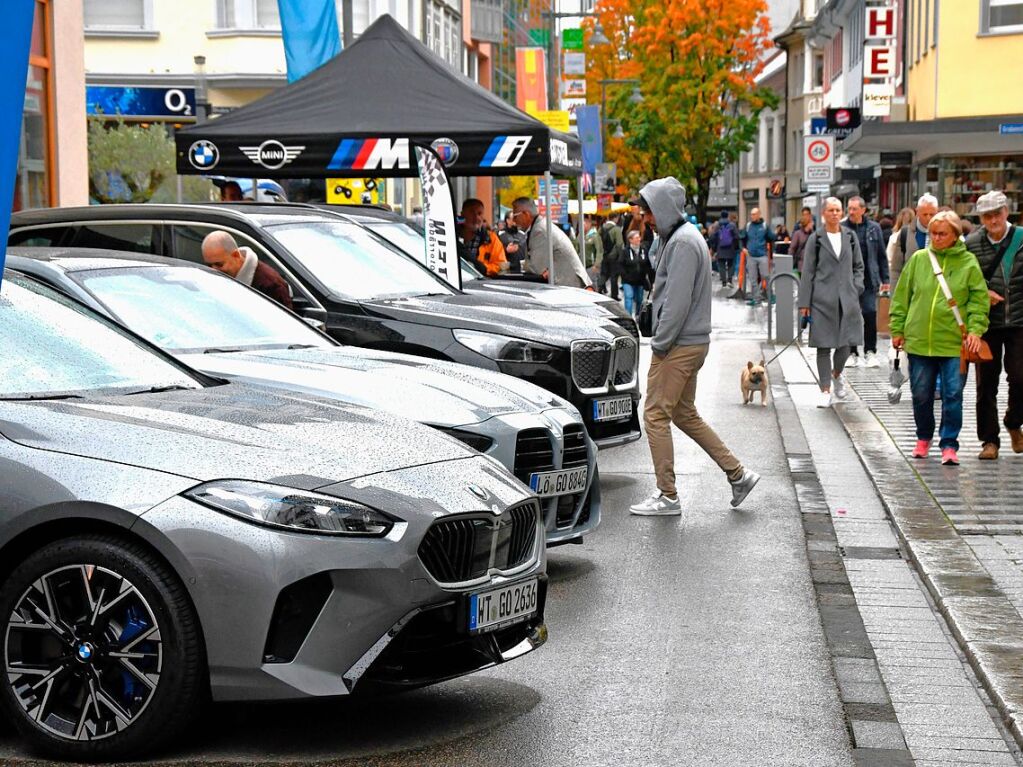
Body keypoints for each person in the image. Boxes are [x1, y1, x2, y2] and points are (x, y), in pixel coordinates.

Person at [628, 176, 760, 516]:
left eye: (649, 212)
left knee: (655, 415)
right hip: (690, 342)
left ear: (663, 209)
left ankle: (667, 495)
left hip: (678, 344)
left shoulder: (683, 243)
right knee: (684, 414)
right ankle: (739, 474)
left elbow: (676, 301)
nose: (646, 219)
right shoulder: (680, 239)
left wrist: (660, 344)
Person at [889, 211, 989, 466]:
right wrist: (898, 328)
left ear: (955, 235)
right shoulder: (920, 259)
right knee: (921, 394)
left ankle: (949, 444)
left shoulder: (968, 263)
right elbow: (902, 296)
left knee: (953, 394)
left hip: (954, 342)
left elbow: (979, 300)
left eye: (942, 233)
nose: (936, 238)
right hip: (920, 341)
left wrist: (976, 330)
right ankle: (924, 437)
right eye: (933, 233)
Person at [966, 191, 1023, 459]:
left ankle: (1013, 422)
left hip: (1020, 319)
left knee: (1020, 377)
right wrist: (983, 292)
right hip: (987, 321)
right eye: (987, 215)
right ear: (981, 218)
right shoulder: (972, 243)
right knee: (986, 384)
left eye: (997, 213)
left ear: (1006, 212)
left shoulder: (1021, 238)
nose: (993, 219)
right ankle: (989, 441)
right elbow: (965, 279)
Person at [798, 197, 865, 409]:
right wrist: (804, 303)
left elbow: (858, 266)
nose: (835, 213)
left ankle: (837, 374)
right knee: (824, 346)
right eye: (831, 210)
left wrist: (856, 287)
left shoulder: (850, 236)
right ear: (824, 213)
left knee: (846, 344)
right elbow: (807, 271)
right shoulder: (816, 239)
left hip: (847, 299)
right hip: (822, 300)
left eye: (838, 210)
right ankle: (825, 389)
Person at [843, 196, 890, 368]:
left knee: (870, 314)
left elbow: (881, 255)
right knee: (850, 316)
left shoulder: (874, 229)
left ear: (863, 210)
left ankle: (870, 351)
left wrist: (885, 279)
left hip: (869, 279)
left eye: (855, 209)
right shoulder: (842, 228)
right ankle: (851, 352)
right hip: (848, 280)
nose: (852, 212)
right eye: (849, 208)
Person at [201, 230, 293, 309]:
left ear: (236, 255)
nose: (214, 270)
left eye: (219, 264)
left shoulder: (271, 285)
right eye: (209, 265)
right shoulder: (212, 279)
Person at [513, 197, 592, 288]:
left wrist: (517, 265)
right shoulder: (540, 226)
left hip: (570, 285)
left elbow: (536, 268)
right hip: (567, 282)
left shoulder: (540, 231)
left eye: (515, 216)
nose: (514, 221)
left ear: (526, 214)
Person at [890, 193, 938, 287]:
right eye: (925, 214)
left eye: (932, 214)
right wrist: (895, 295)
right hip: (911, 288)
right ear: (917, 212)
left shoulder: (944, 234)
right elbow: (896, 269)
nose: (928, 218)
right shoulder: (905, 233)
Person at [457, 199, 507, 277]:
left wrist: (483, 268)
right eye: (471, 213)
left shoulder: (490, 239)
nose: (476, 217)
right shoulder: (451, 235)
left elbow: (501, 265)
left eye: (479, 214)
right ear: (462, 215)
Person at [741, 207, 776, 304]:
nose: (752, 216)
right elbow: (741, 237)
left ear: (759, 215)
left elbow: (771, 237)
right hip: (751, 255)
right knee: (753, 278)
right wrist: (743, 248)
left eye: (754, 214)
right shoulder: (748, 226)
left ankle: (770, 296)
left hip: (762, 255)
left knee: (766, 276)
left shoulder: (764, 226)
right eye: (751, 214)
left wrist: (775, 237)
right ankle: (756, 298)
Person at [620, 229, 653, 317]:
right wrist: (625, 276)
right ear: (630, 240)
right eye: (636, 238)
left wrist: (651, 279)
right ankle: (628, 317)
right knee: (629, 298)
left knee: (639, 300)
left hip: (640, 281)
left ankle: (638, 316)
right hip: (628, 281)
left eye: (639, 237)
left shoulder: (643, 250)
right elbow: (620, 265)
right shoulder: (625, 252)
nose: (639, 239)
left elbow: (648, 265)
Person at [708, 210, 741, 288]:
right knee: (731, 264)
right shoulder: (732, 225)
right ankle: (729, 280)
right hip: (730, 248)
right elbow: (736, 237)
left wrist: (714, 248)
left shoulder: (717, 225)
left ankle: (723, 282)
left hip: (720, 248)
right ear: (727, 216)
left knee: (721, 265)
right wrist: (736, 247)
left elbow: (713, 237)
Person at [599, 215, 624, 299]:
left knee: (604, 274)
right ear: (616, 218)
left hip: (604, 255)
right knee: (614, 276)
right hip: (613, 257)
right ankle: (614, 295)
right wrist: (619, 256)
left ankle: (599, 289)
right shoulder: (616, 229)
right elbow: (619, 244)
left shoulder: (601, 229)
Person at [581, 215, 604, 287]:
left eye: (584, 224)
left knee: (591, 285)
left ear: (589, 224)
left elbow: (599, 251)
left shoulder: (595, 236)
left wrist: (596, 265)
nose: (582, 226)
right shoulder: (580, 235)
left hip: (591, 265)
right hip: (582, 265)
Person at [790, 206, 815, 272]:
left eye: (807, 215)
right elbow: (792, 248)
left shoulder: (814, 233)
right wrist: (790, 263)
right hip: (801, 265)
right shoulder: (798, 233)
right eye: (804, 215)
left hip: (812, 265)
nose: (805, 217)